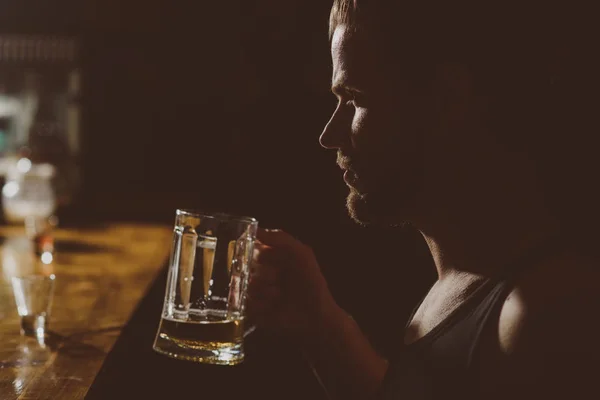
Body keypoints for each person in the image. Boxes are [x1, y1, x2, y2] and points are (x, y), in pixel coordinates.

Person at [247, 2, 600, 399]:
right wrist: (318, 323)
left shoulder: (544, 317)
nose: (329, 134)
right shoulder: (469, 282)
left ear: (448, 99)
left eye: (356, 99)